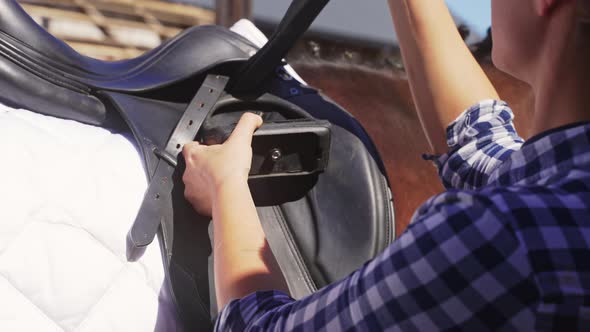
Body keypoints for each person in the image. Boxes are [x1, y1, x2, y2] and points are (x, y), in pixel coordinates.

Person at [182, 0, 590, 330]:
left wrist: (226, 184)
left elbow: (259, 328)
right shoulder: (562, 202)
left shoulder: (504, 237)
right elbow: (481, 146)